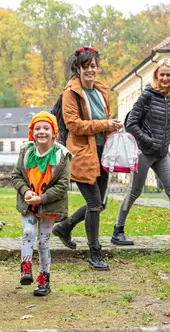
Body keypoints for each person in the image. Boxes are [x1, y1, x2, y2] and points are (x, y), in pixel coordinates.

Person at [111, 58, 170, 247]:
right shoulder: (147, 95)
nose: (165, 78)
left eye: (169, 75)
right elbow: (131, 124)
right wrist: (149, 141)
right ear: (157, 75)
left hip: (162, 154)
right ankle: (118, 231)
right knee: (134, 192)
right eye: (162, 74)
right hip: (143, 152)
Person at [52, 46, 122, 271]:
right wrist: (104, 124)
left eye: (93, 65)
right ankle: (94, 252)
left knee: (99, 204)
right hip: (82, 153)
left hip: (103, 152)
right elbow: (73, 124)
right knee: (94, 204)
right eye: (86, 66)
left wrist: (113, 126)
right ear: (78, 69)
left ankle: (65, 227)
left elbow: (103, 122)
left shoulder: (101, 92)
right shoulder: (70, 94)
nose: (91, 70)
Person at [11, 111, 72, 296]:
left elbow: (63, 185)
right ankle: (26, 268)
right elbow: (16, 176)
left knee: (44, 242)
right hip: (29, 203)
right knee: (28, 232)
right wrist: (26, 191)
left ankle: (44, 279)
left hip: (48, 205)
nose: (42, 132)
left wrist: (42, 198)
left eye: (46, 128)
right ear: (32, 132)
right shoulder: (26, 151)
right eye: (37, 128)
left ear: (54, 133)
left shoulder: (62, 155)